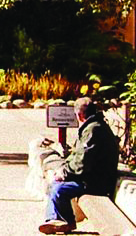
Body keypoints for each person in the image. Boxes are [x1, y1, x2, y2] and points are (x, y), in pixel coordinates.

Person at [39, 96, 119, 234]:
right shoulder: (94, 127)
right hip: (93, 177)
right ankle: (55, 220)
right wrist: (63, 170)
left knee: (59, 189)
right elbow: (77, 156)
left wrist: (64, 173)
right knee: (55, 184)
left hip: (96, 182)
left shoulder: (93, 130)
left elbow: (82, 162)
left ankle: (64, 222)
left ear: (79, 115)